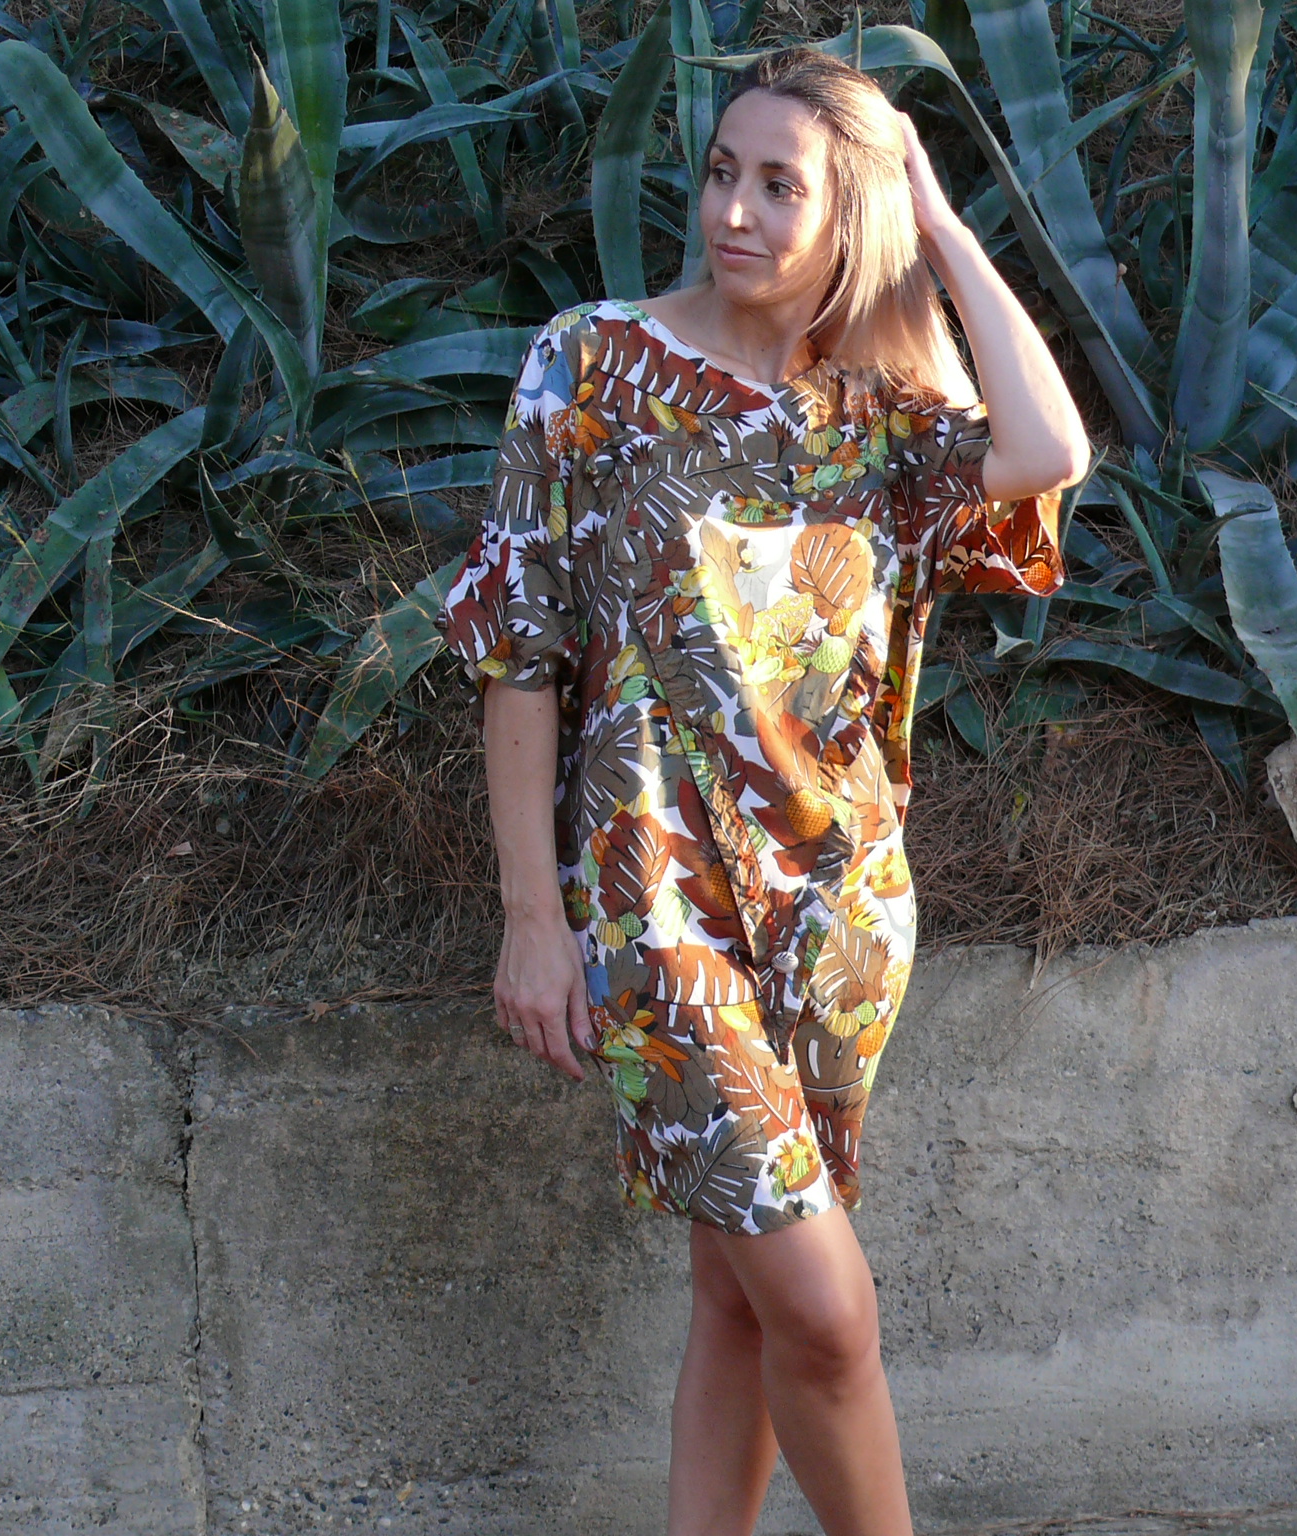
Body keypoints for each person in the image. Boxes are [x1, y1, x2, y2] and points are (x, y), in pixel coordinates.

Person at [435, 43, 1090, 1536]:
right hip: (652, 904)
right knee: (828, 1316)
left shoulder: (880, 418)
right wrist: (533, 919)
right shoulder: (590, 365)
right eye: (724, 171)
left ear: (850, 214)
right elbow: (517, 647)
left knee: (742, 1301)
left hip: (838, 908)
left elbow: (1051, 449)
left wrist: (936, 216)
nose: (733, 209)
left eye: (783, 186)